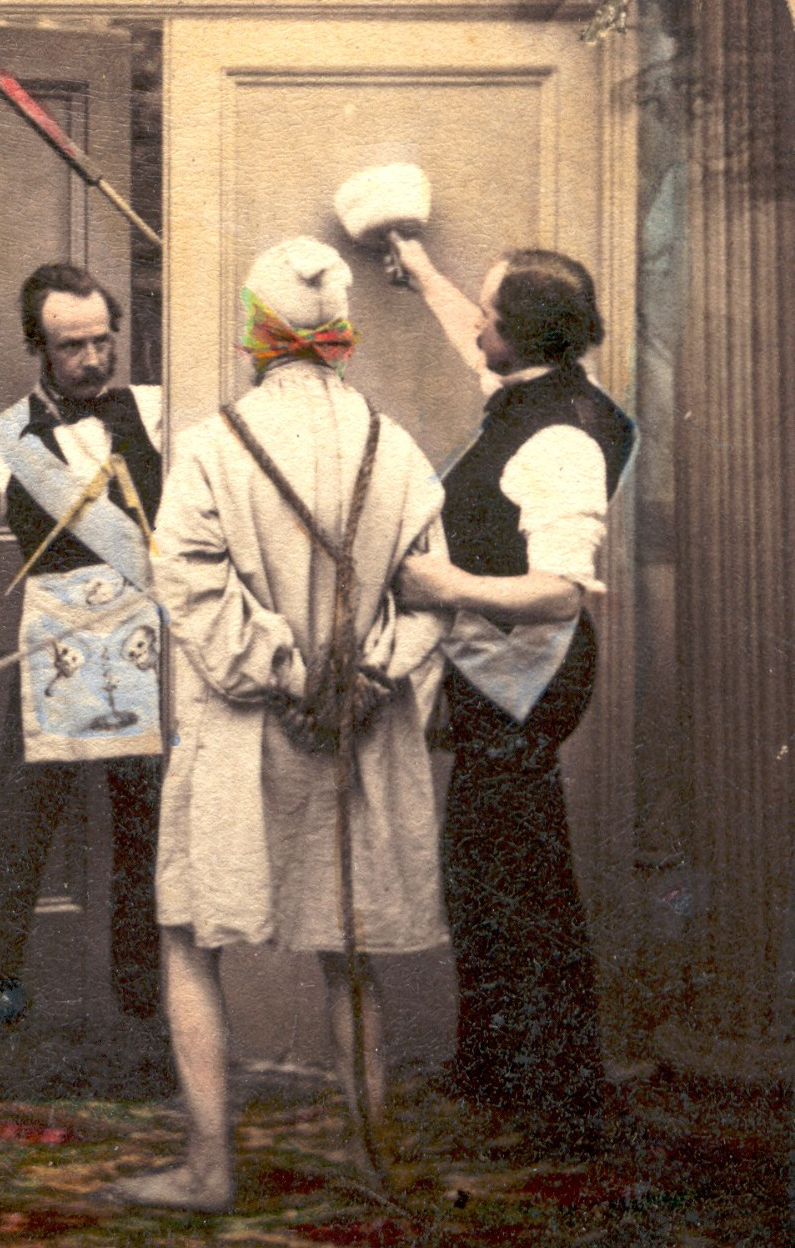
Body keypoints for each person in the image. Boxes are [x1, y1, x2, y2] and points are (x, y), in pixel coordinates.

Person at [116, 238, 450, 1211]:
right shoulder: (397, 447)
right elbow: (429, 593)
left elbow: (188, 580)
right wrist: (366, 673)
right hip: (359, 732)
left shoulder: (211, 446)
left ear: (255, 333)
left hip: (242, 732)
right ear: (338, 333)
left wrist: (286, 675)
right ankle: (374, 1161)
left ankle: (208, 1168)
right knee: (349, 950)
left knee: (189, 937)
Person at [390, 236, 636, 1152]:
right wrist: (419, 270)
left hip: (527, 680)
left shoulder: (561, 441)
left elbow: (560, 593)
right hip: (506, 675)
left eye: (489, 315)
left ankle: (558, 1102)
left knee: (519, 891)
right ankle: (498, 1075)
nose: (477, 326)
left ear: (524, 334)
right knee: (487, 878)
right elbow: (474, 336)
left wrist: (441, 586)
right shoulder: (543, 386)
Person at [0, 263, 162, 1057]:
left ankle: (150, 1026)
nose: (92, 360)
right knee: (16, 845)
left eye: (101, 341)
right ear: (38, 348)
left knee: (153, 843)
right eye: (70, 347)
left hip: (151, 656)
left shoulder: (165, 413)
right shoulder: (1, 442)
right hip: (52, 661)